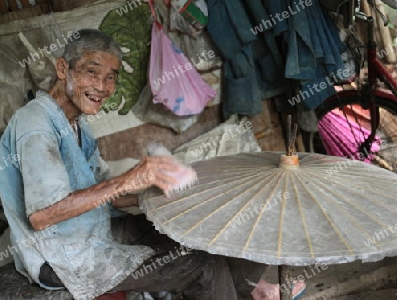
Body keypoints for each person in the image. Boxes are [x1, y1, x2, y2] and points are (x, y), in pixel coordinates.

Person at [0, 29, 274, 300]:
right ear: (63, 69)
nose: (102, 87)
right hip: (60, 255)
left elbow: (105, 197)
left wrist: (157, 192)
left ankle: (244, 292)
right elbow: (42, 216)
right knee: (202, 267)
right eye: (91, 72)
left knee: (202, 236)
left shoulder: (78, 124)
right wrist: (129, 178)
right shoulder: (35, 123)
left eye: (110, 78)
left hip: (98, 230)